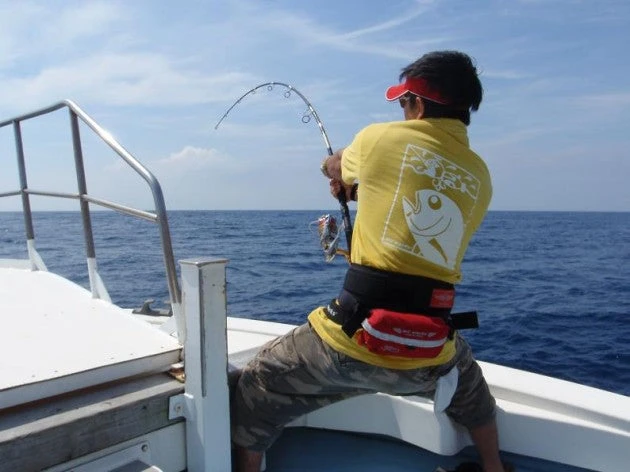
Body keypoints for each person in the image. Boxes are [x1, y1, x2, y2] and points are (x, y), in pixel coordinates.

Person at [232, 50, 508, 472]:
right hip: (430, 352)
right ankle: (494, 467)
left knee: (258, 382)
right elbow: (422, 213)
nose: (402, 111)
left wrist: (335, 171)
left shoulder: (379, 139)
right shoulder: (480, 176)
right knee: (474, 395)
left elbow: (334, 166)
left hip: (352, 342)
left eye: (404, 102)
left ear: (417, 103)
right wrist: (362, 192)